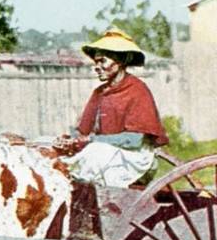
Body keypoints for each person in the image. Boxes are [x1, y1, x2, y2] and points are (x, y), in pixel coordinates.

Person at [57, 28, 169, 187]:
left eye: (102, 61)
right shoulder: (100, 93)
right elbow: (83, 131)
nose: (96, 66)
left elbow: (135, 140)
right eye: (95, 61)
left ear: (121, 61)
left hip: (134, 157)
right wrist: (69, 139)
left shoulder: (137, 90)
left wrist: (91, 140)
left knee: (95, 153)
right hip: (107, 151)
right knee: (52, 150)